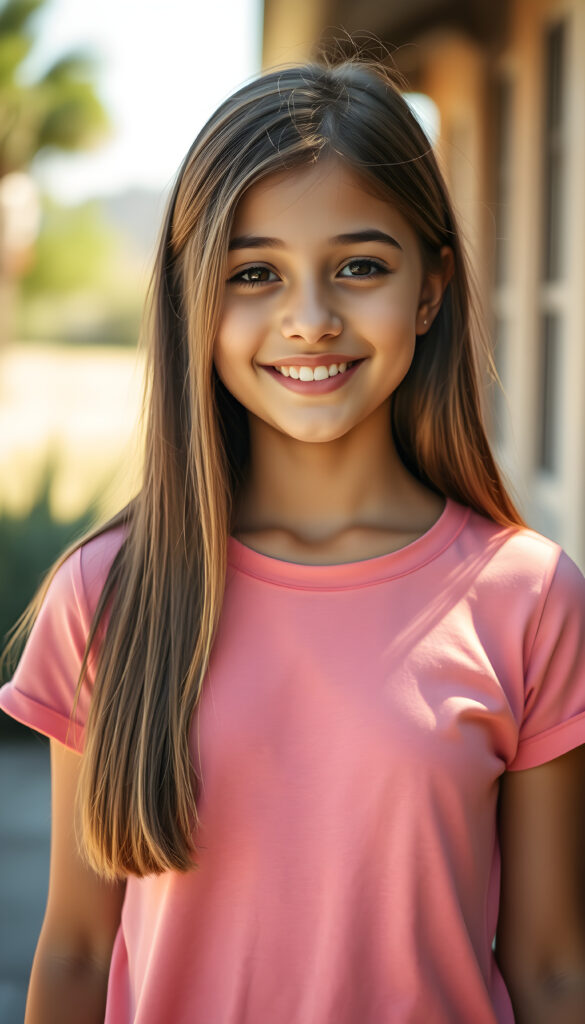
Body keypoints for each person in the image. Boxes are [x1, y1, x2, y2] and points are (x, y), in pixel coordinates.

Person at [2, 52, 585, 1024]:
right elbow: (73, 952)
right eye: (254, 273)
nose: (309, 320)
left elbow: (554, 966)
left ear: (431, 290)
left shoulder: (528, 598)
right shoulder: (108, 592)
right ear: (196, 298)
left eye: (360, 267)